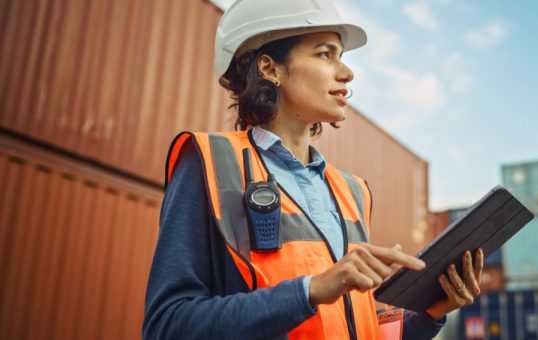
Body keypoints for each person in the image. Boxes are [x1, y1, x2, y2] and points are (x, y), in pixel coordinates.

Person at [142, 0, 485, 339]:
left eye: (342, 57)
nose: (347, 73)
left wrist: (429, 314)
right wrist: (308, 291)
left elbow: (354, 327)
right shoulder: (211, 163)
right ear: (269, 68)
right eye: (325, 54)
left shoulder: (352, 191)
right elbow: (166, 326)